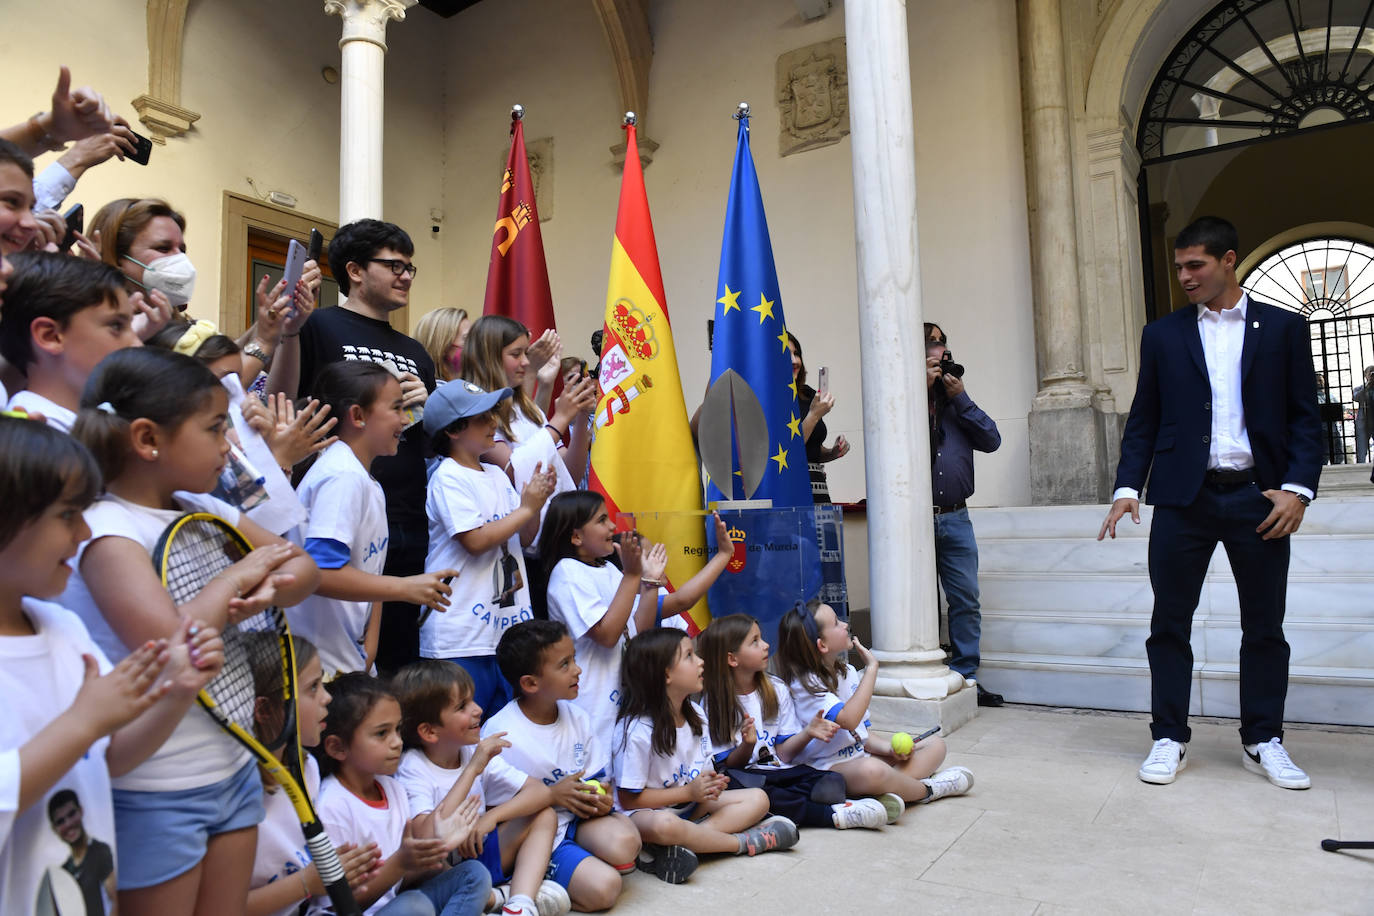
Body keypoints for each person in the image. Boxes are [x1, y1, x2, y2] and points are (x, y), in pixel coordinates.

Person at [62, 348, 320, 914]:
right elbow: (172, 647)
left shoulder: (204, 506)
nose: (230, 445)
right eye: (214, 428)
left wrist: (271, 586)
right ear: (148, 439)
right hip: (156, 784)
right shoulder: (107, 531)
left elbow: (302, 567)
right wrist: (239, 576)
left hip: (235, 763)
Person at [1098, 215, 1321, 789]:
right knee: (1169, 624)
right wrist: (1128, 488)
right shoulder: (1163, 334)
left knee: (1265, 626)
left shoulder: (1285, 329)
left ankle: (1263, 739)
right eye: (1178, 267)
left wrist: (1298, 489)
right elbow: (1144, 417)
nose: (1185, 277)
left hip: (1260, 498)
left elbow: (1304, 418)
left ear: (1229, 261)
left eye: (1195, 265)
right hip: (1182, 499)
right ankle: (1168, 737)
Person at [0, 416, 224, 916]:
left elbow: (111, 757)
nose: (84, 532)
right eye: (66, 516)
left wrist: (178, 690)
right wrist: (83, 723)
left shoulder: (61, 628)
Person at [268, 219, 435, 675]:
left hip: (402, 507)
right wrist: (288, 328)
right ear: (355, 271)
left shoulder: (415, 350)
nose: (405, 275)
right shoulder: (320, 324)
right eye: (393, 265)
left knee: (394, 657)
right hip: (338, 503)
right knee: (337, 655)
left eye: (410, 267)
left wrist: (426, 403)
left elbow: (428, 435)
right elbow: (281, 398)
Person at [290, 361, 456, 677]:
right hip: (318, 665)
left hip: (346, 660)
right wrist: (405, 588)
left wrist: (370, 648)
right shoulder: (342, 477)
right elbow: (320, 572)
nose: (406, 419)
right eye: (396, 408)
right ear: (357, 416)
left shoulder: (364, 479)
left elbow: (368, 571)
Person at [538, 492, 735, 748]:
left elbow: (637, 632)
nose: (612, 526)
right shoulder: (567, 571)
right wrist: (632, 576)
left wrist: (651, 582)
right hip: (592, 704)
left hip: (623, 703)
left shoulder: (607, 569)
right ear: (576, 536)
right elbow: (608, 636)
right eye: (601, 520)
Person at [612, 628, 801, 884]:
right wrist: (687, 793)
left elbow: (702, 773)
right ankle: (741, 843)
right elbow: (628, 799)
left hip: (689, 809)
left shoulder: (697, 716)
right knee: (666, 826)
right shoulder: (637, 730)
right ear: (666, 674)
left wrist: (711, 784)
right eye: (689, 656)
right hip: (648, 816)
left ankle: (686, 846)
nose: (701, 661)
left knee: (758, 798)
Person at [392, 659, 571, 916]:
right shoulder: (413, 767)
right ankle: (493, 898)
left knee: (544, 814)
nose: (477, 710)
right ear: (430, 732)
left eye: (473, 700)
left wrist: (490, 818)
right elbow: (426, 836)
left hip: (476, 857)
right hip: (438, 878)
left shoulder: (470, 751)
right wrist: (472, 770)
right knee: (430, 863)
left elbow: (541, 792)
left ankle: (519, 904)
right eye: (462, 706)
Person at [421, 381, 554, 717]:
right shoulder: (448, 476)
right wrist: (525, 508)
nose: (494, 422)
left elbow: (522, 539)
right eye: (481, 417)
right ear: (453, 430)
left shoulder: (495, 474)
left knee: (505, 733)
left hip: (505, 634)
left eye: (493, 413)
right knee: (463, 730)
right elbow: (476, 540)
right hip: (461, 635)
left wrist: (534, 506)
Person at [488, 620, 641, 911]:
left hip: (575, 821)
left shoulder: (578, 717)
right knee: (605, 890)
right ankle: (523, 885)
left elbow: (599, 781)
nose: (577, 669)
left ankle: (562, 873)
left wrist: (602, 799)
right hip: (535, 834)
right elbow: (496, 816)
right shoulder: (502, 734)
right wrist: (552, 796)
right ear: (530, 683)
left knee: (626, 842)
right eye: (564, 664)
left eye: (574, 659)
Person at [313, 672, 493, 916]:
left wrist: (432, 853)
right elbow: (336, 906)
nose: (397, 742)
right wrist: (400, 864)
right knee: (415, 907)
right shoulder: (332, 806)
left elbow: (401, 882)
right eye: (381, 733)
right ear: (338, 747)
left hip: (397, 906)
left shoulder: (392, 788)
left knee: (474, 874)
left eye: (397, 730)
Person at [774, 602, 974, 821]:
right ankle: (928, 790)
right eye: (836, 623)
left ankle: (888, 792)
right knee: (873, 770)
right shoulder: (805, 685)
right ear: (822, 644)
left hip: (861, 756)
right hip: (827, 768)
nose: (845, 624)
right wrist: (872, 669)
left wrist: (888, 749)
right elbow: (849, 720)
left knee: (935, 745)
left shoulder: (847, 672)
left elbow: (862, 733)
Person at [697, 613, 888, 831]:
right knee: (753, 790)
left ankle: (773, 815)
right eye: (755, 641)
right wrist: (747, 745)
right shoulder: (714, 703)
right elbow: (729, 766)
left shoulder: (776, 689)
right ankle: (831, 815)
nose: (766, 645)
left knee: (832, 782)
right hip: (746, 777)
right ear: (732, 659)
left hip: (779, 771)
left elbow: (784, 754)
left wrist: (808, 732)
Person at [246, 635, 381, 916]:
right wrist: (307, 883)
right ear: (264, 709)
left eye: (323, 682)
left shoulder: (307, 767)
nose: (327, 697)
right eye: (312, 688)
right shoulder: (232, 794)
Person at [923, 325, 1003, 706]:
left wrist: (961, 398)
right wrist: (921, 393)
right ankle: (925, 675)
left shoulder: (958, 402)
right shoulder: (905, 402)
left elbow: (992, 440)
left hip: (956, 517)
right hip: (915, 521)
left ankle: (966, 678)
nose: (939, 352)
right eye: (931, 344)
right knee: (918, 601)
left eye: (940, 344)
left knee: (966, 599)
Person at [459, 315, 596, 536]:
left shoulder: (528, 410)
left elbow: (570, 474)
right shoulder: (478, 413)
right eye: (516, 354)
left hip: (551, 536)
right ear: (489, 357)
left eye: (526, 353)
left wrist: (580, 417)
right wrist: (560, 420)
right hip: (516, 536)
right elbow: (515, 472)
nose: (525, 361)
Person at [0, 251, 140, 431]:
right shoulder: (34, 437)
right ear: (50, 336)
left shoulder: (90, 427)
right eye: (116, 326)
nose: (137, 344)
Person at [786, 333, 849, 503]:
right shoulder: (767, 399)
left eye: (797, 353)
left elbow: (809, 448)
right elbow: (786, 452)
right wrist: (813, 416)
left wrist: (832, 452)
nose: (795, 361)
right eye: (786, 354)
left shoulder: (807, 394)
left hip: (818, 491)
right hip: (789, 493)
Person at [414, 307, 471, 384]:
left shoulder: (475, 385)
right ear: (443, 346)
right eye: (467, 339)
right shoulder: (423, 391)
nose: (475, 345)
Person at [1353, 365, 1374, 463]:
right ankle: (1360, 466)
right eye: (1370, 372)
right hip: (1364, 422)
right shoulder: (1359, 388)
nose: (1372, 374)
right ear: (1365, 375)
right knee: (1361, 449)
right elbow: (1356, 398)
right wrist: (1367, 386)